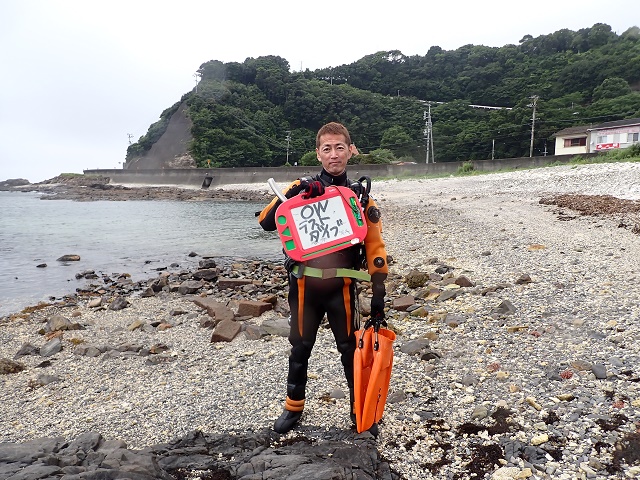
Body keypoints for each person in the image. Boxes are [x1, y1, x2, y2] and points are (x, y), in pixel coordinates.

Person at [258, 122, 388, 434]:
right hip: (305, 285)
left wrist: (379, 290)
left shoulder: (360, 198)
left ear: (350, 151)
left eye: (339, 147)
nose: (334, 154)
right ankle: (293, 407)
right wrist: (296, 192)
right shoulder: (301, 189)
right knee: (300, 347)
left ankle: (359, 409)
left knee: (350, 349)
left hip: (342, 287)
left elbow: (374, 244)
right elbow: (266, 221)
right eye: (327, 149)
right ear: (318, 153)